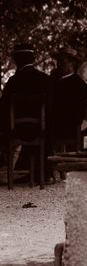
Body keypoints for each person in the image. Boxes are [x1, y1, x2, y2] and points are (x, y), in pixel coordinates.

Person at [0, 43, 54, 181]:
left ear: (16, 60)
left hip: (17, 129)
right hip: (41, 129)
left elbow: (4, 108)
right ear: (33, 59)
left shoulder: (13, 82)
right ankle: (44, 172)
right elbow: (51, 107)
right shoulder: (45, 80)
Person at [49, 49, 87, 150]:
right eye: (58, 62)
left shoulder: (79, 85)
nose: (59, 65)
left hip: (68, 126)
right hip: (53, 123)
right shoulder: (53, 82)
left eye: (62, 62)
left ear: (72, 63)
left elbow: (79, 113)